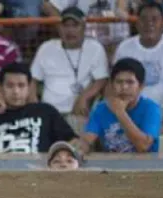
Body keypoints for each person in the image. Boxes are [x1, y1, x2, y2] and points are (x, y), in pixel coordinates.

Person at [113, 1, 163, 130]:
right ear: (137, 24)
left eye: (154, 19)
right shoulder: (124, 47)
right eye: (144, 19)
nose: (149, 24)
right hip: (130, 108)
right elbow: (113, 83)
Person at [30, 6, 108, 134]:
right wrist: (35, 107)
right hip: (49, 111)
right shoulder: (46, 48)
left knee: (77, 143)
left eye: (74, 25)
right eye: (65, 26)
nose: (70, 30)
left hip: (77, 112)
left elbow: (101, 79)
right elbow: (32, 81)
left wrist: (84, 97)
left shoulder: (95, 48)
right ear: (59, 28)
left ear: (83, 27)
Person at [0, 63, 78, 154]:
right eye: (10, 86)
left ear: (29, 88)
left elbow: (72, 141)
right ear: (0, 88)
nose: (16, 91)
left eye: (21, 86)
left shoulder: (45, 111)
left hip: (40, 172)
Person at [79, 58, 162, 154]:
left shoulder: (151, 108)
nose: (124, 87)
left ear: (141, 86)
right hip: (111, 165)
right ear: (111, 85)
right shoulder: (101, 108)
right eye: (119, 82)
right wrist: (79, 148)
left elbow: (143, 147)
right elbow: (87, 140)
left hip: (146, 165)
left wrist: (120, 112)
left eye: (130, 82)